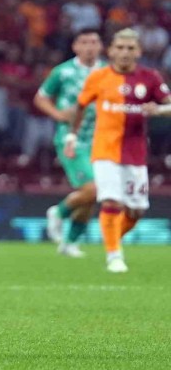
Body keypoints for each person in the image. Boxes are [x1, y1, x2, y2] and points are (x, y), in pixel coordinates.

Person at [65, 28, 171, 273]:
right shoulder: (98, 77)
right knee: (111, 200)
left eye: (130, 48)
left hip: (135, 153)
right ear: (111, 51)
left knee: (136, 211)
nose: (125, 53)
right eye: (120, 48)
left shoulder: (150, 77)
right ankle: (114, 255)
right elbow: (80, 107)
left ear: (139, 52)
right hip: (105, 150)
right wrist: (72, 135)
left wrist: (158, 110)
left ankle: (111, 239)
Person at [34, 28, 106, 257]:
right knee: (93, 189)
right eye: (84, 42)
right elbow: (41, 98)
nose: (89, 47)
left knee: (91, 196)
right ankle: (59, 213)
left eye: (93, 42)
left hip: (101, 139)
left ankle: (69, 243)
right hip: (72, 139)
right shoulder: (62, 72)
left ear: (100, 46)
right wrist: (57, 115)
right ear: (75, 46)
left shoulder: (108, 72)